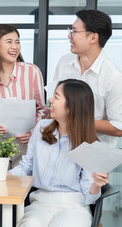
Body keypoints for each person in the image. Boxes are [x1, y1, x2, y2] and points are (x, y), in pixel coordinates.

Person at [10, 79, 109, 227]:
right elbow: (26, 167)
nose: (50, 100)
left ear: (71, 107)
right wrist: (0, 175)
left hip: (74, 207)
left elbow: (90, 196)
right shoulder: (41, 128)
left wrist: (96, 185)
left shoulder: (89, 144)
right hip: (39, 204)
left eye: (56, 97)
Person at [0, 24, 46, 167]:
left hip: (26, 145)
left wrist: (33, 133)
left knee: (24, 186)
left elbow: (42, 110)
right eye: (9, 42)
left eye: (17, 41)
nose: (15, 46)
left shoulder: (32, 72)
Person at [53, 9, 122, 149]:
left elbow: (118, 127)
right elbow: (54, 103)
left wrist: (76, 121)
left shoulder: (113, 77)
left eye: (74, 31)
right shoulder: (64, 62)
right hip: (60, 148)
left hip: (94, 155)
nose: (69, 36)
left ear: (93, 37)